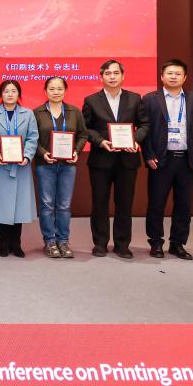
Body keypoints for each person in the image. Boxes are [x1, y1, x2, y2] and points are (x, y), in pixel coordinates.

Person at [141, 59, 193, 260]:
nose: (173, 77)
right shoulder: (150, 99)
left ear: (185, 77)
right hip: (161, 160)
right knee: (156, 204)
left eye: (178, 74)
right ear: (162, 76)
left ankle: (177, 243)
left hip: (187, 160)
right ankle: (156, 242)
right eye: (170, 73)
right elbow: (144, 130)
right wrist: (148, 155)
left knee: (183, 205)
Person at [81, 59, 150, 258]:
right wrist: (100, 141)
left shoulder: (135, 98)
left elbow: (145, 124)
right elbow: (86, 128)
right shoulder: (91, 100)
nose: (112, 77)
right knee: (99, 203)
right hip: (101, 159)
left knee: (125, 203)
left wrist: (135, 140)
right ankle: (100, 243)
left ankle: (122, 244)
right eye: (108, 73)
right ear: (101, 77)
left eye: (116, 73)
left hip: (127, 160)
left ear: (123, 76)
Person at [32, 76, 88, 259]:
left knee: (64, 205)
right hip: (45, 165)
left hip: (68, 165)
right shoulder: (37, 113)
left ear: (65, 90)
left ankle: (63, 241)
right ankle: (49, 241)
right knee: (47, 205)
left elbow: (83, 135)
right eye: (51, 89)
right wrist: (43, 153)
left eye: (59, 89)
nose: (56, 92)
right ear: (45, 91)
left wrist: (76, 152)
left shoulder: (74, 111)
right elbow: (32, 139)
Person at [0, 80, 39, 257]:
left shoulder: (28, 114)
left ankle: (16, 244)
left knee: (18, 206)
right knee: (0, 205)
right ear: (1, 94)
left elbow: (33, 137)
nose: (10, 94)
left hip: (21, 166)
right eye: (6, 91)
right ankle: (3, 243)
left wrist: (27, 155)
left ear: (19, 94)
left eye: (14, 91)